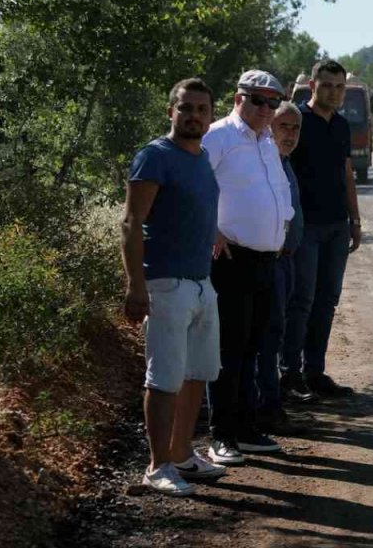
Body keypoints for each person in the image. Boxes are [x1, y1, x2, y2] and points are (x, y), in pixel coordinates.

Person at [122, 77, 225, 496]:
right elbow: (131, 223)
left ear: (210, 115)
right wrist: (136, 286)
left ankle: (182, 454)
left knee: (198, 373)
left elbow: (192, 210)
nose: (194, 116)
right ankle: (157, 466)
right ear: (171, 112)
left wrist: (214, 234)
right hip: (165, 284)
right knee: (164, 378)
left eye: (202, 109)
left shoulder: (202, 158)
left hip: (202, 283)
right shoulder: (154, 157)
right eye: (186, 108)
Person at [201, 69, 295, 465]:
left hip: (265, 261)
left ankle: (245, 427)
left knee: (254, 348)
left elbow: (277, 191)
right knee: (230, 349)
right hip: (231, 260)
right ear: (238, 98)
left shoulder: (266, 142)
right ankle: (221, 434)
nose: (266, 109)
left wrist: (282, 224)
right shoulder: (219, 136)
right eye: (258, 100)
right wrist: (211, 230)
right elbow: (195, 185)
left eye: (273, 102)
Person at [283, 60, 361, 400]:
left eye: (340, 87)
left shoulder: (341, 125)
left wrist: (355, 220)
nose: (334, 92)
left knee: (327, 301)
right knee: (301, 301)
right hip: (305, 227)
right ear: (312, 86)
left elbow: (347, 173)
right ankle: (289, 375)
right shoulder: (296, 122)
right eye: (327, 85)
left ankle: (314, 373)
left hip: (336, 226)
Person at [255, 102, 310, 433]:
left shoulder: (284, 162)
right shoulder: (265, 163)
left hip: (286, 260)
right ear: (268, 128)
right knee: (267, 334)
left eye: (295, 128)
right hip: (268, 261)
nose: (290, 135)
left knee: (276, 331)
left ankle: (271, 401)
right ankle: (266, 406)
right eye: (283, 127)